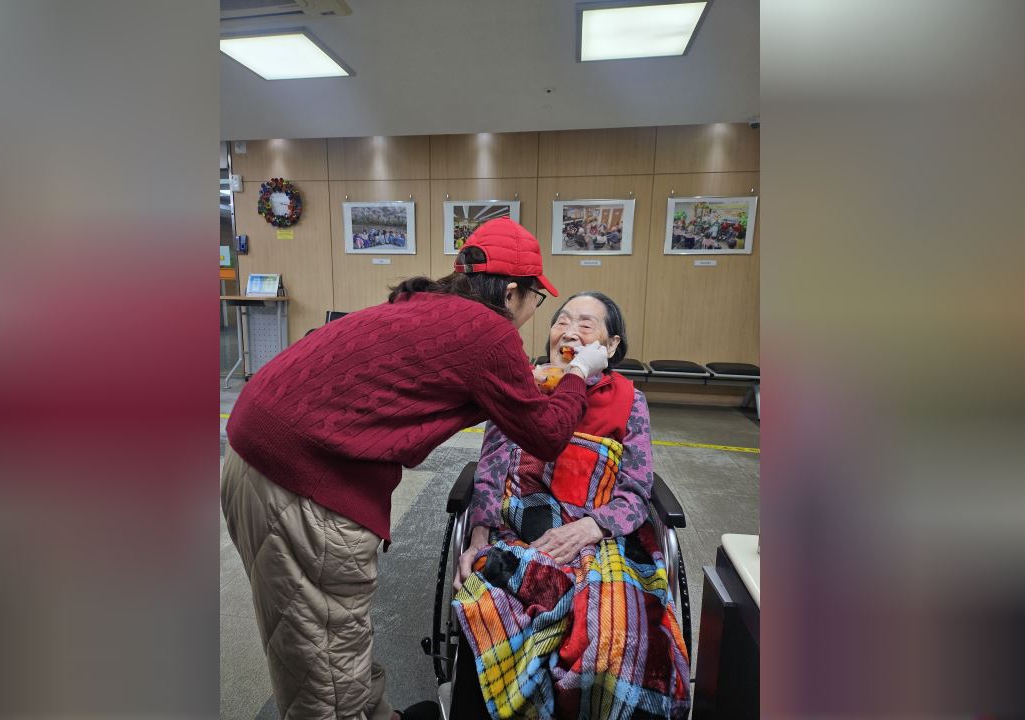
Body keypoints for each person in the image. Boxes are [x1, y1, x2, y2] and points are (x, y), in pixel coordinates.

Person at [220, 218, 611, 720]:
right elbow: (546, 435)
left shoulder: (428, 306)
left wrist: (532, 381)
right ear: (513, 292)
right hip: (301, 476)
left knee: (322, 631)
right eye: (543, 303)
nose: (560, 325)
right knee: (321, 648)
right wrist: (579, 372)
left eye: (587, 325)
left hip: (256, 449)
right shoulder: (490, 335)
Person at [450, 292, 691, 720]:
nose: (569, 332)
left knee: (622, 632)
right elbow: (490, 470)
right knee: (486, 603)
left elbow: (636, 490)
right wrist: (478, 536)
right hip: (518, 531)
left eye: (585, 324)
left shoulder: (628, 399)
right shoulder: (520, 387)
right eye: (561, 321)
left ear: (610, 346)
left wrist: (589, 528)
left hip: (600, 536)